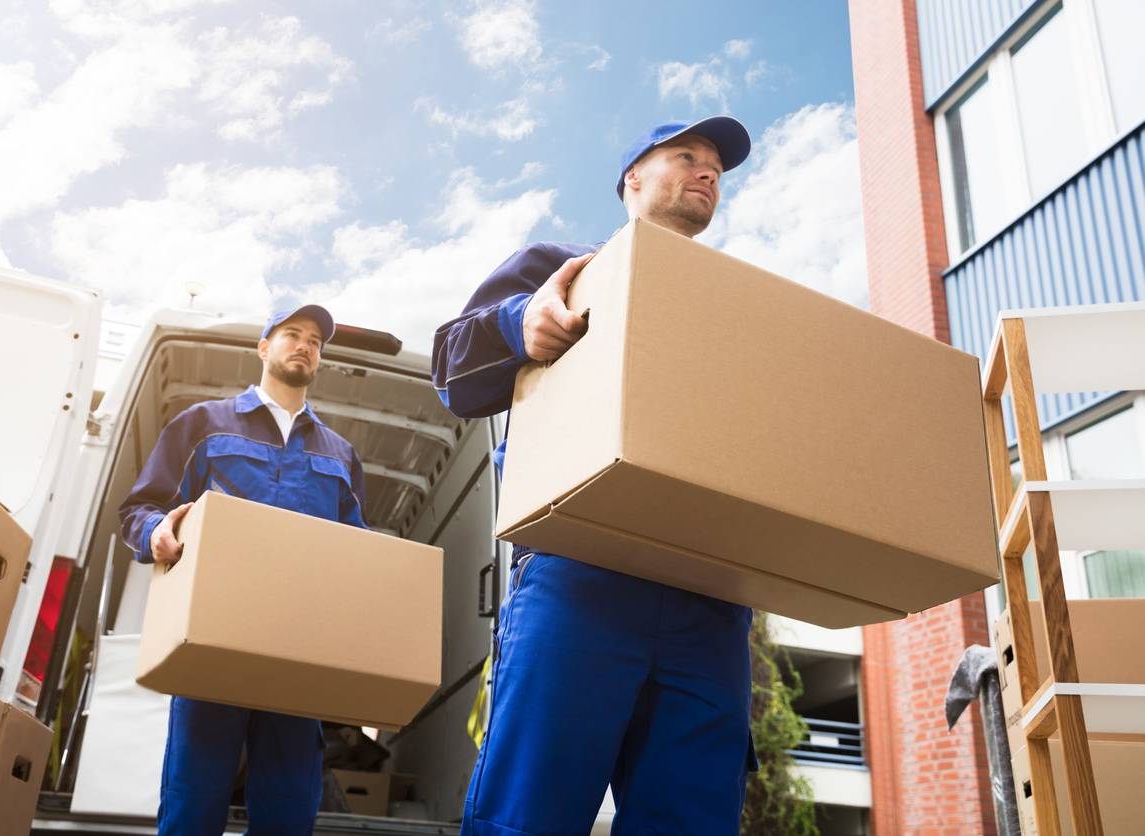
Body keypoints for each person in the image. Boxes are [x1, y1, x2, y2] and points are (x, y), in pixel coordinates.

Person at [432, 117, 757, 835]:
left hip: (712, 597)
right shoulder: (564, 268)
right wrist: (523, 323)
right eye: (687, 156)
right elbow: (453, 373)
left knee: (694, 818)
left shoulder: (739, 307)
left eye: (716, 167)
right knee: (531, 812)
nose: (708, 172)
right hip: (581, 575)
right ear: (632, 179)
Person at [119, 303, 366, 835]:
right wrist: (157, 534)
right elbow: (139, 509)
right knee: (193, 798)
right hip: (211, 639)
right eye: (291, 335)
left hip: (300, 651)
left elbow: (357, 553)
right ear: (263, 347)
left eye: (316, 342)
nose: (304, 346)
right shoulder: (203, 425)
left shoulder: (340, 454)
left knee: (289, 806)